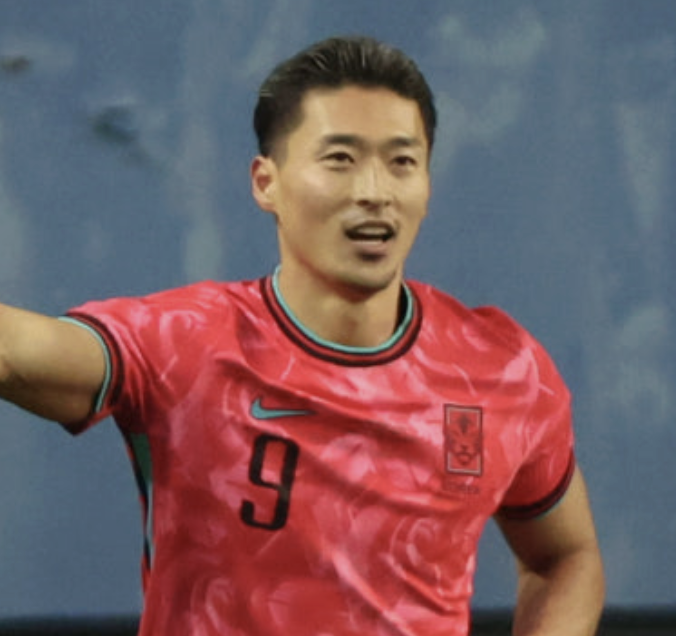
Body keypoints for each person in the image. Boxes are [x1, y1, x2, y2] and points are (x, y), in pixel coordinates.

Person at [0, 36, 604, 636]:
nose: (374, 191)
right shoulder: (184, 343)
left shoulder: (502, 368)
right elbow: (16, 354)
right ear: (266, 183)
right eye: (340, 159)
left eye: (401, 162)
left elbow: (566, 559)